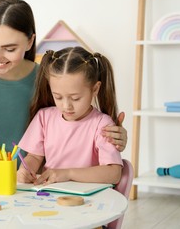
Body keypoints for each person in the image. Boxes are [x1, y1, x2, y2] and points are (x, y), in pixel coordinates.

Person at [0, 0, 127, 173]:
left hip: (34, 189)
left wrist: (114, 137)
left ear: (30, 42)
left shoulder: (51, 80)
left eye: (10, 49)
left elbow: (81, 126)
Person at [17, 47, 122, 185]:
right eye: (58, 97)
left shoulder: (102, 124)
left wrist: (68, 174)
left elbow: (113, 173)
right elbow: (34, 157)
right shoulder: (44, 117)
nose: (66, 106)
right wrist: (25, 170)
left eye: (76, 98)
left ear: (95, 89)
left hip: (88, 198)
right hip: (50, 193)